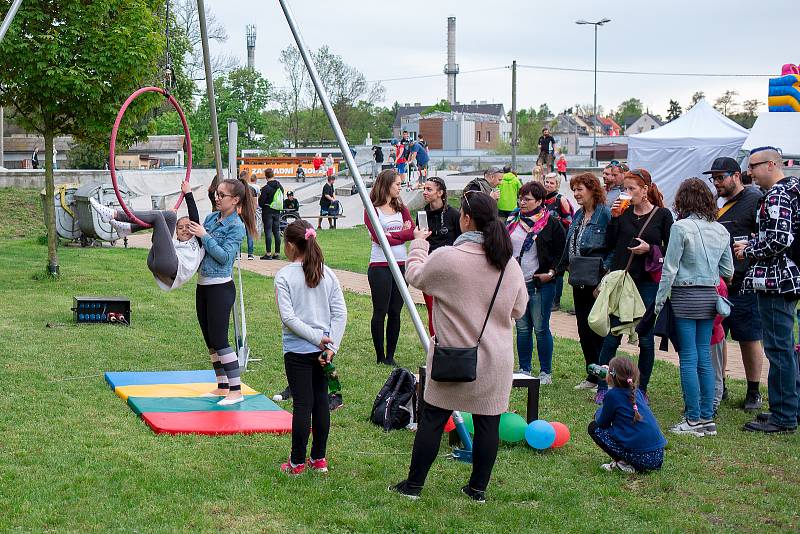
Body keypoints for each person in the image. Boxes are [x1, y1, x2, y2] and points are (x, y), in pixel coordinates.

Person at [390, 191, 527, 502]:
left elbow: (415, 276)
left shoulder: (449, 257)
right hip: (496, 360)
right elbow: (519, 309)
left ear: (465, 219)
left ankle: (414, 486)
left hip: (452, 356)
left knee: (433, 420)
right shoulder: (509, 264)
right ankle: (477, 490)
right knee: (488, 423)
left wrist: (419, 246)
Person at [654, 178, 734, 436]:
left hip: (685, 296)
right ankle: (707, 419)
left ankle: (692, 419)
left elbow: (670, 268)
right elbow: (728, 271)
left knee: (688, 358)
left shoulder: (681, 227)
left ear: (683, 199)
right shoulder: (721, 230)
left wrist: (658, 303)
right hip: (710, 296)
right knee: (704, 358)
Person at [735, 146, 800, 433]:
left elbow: (779, 240)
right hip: (789, 278)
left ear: (772, 164)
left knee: (779, 348)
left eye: (753, 166)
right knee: (785, 348)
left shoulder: (776, 194)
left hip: (775, 280)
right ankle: (789, 407)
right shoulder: (795, 189)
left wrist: (749, 248)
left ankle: (784, 416)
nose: (749, 173)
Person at [275, 220, 347, 475]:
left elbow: (289, 318)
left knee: (303, 404)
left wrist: (321, 342)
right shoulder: (328, 274)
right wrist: (330, 344)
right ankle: (318, 459)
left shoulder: (284, 275)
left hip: (299, 350)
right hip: (322, 350)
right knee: (319, 402)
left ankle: (296, 463)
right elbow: (340, 315)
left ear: (291, 246)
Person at [596, 168, 673, 404]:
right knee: (613, 335)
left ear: (645, 190)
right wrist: (614, 219)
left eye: (631, 189)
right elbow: (609, 244)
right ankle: (603, 385)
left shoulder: (663, 215)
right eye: (624, 189)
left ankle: (642, 388)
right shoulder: (622, 214)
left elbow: (671, 249)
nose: (626, 193)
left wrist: (650, 249)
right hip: (624, 280)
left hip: (648, 281)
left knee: (646, 337)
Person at [189, 177, 257, 406]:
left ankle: (236, 391)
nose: (216, 198)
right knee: (210, 340)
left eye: (221, 195)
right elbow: (200, 244)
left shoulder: (236, 226)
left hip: (220, 288)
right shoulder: (210, 218)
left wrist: (204, 236)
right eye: (215, 194)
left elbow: (225, 257)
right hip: (203, 286)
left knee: (220, 339)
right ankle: (222, 386)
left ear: (235, 200)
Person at [706, 156, 765, 411]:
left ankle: (754, 391)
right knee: (719, 336)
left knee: (749, 337)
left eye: (721, 177)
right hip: (719, 284)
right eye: (714, 178)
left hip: (745, 283)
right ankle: (722, 385)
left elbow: (764, 236)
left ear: (737, 176)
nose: (717, 182)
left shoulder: (754, 199)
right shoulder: (719, 205)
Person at [89, 181, 203, 290]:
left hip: (169, 267)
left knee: (158, 216)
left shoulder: (197, 241)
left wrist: (188, 193)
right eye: (180, 228)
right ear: (176, 233)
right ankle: (126, 229)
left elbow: (194, 218)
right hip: (154, 261)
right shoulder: (174, 245)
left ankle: (114, 215)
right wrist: (166, 220)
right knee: (170, 216)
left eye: (188, 227)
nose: (184, 230)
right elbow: (155, 239)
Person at [506, 181, 566, 382]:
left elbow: (561, 253)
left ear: (539, 201)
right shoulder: (512, 220)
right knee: (522, 329)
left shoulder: (551, 223)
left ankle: (545, 372)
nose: (522, 202)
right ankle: (524, 369)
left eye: (527, 199)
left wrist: (552, 272)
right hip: (517, 284)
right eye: (520, 198)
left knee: (540, 328)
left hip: (540, 284)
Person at [557, 173, 611, 390]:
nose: (576, 194)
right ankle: (591, 372)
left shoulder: (605, 215)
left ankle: (602, 375)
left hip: (596, 280)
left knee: (597, 327)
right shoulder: (578, 215)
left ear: (592, 190)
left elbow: (613, 247)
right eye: (574, 190)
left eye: (580, 189)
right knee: (582, 328)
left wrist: (605, 273)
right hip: (578, 278)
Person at [364, 169, 415, 365]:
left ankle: (390, 357)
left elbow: (411, 232)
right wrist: (398, 235)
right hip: (380, 266)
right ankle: (380, 356)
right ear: (386, 185)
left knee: (396, 310)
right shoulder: (372, 209)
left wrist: (393, 237)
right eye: (397, 184)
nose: (400, 188)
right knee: (380, 311)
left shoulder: (401, 207)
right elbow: (378, 238)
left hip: (401, 264)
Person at [588, 356, 666, 474]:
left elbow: (602, 423)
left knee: (593, 428)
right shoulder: (636, 391)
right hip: (657, 457)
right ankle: (630, 460)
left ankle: (624, 463)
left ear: (611, 376)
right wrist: (612, 375)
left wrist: (598, 412)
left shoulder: (613, 395)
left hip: (641, 459)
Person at [416, 176, 462, 335]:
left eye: (429, 189)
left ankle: (451, 346)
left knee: (451, 312)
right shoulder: (422, 215)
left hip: (450, 270)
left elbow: (461, 241)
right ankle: (435, 350)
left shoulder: (454, 215)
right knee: (432, 310)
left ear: (440, 192)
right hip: (428, 269)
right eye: (424, 189)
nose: (425, 192)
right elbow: (421, 241)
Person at [543, 172, 574, 311]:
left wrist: (556, 219)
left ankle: (556, 301)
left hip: (559, 240)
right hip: (545, 239)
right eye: (547, 182)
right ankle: (548, 299)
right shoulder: (542, 199)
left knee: (558, 271)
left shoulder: (561, 200)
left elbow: (569, 221)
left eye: (551, 183)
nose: (548, 185)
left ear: (557, 185)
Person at [258, 168, 284, 260]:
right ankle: (277, 253)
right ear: (273, 175)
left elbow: (261, 203)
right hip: (277, 211)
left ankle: (268, 254)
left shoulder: (265, 188)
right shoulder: (280, 187)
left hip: (267, 211)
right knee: (276, 231)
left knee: (268, 231)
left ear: (266, 177)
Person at [244, 172, 259, 260]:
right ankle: (250, 254)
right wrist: (253, 212)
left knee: (238, 233)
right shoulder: (252, 189)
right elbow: (255, 203)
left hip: (240, 213)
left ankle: (238, 253)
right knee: (250, 233)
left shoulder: (239, 189)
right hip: (249, 213)